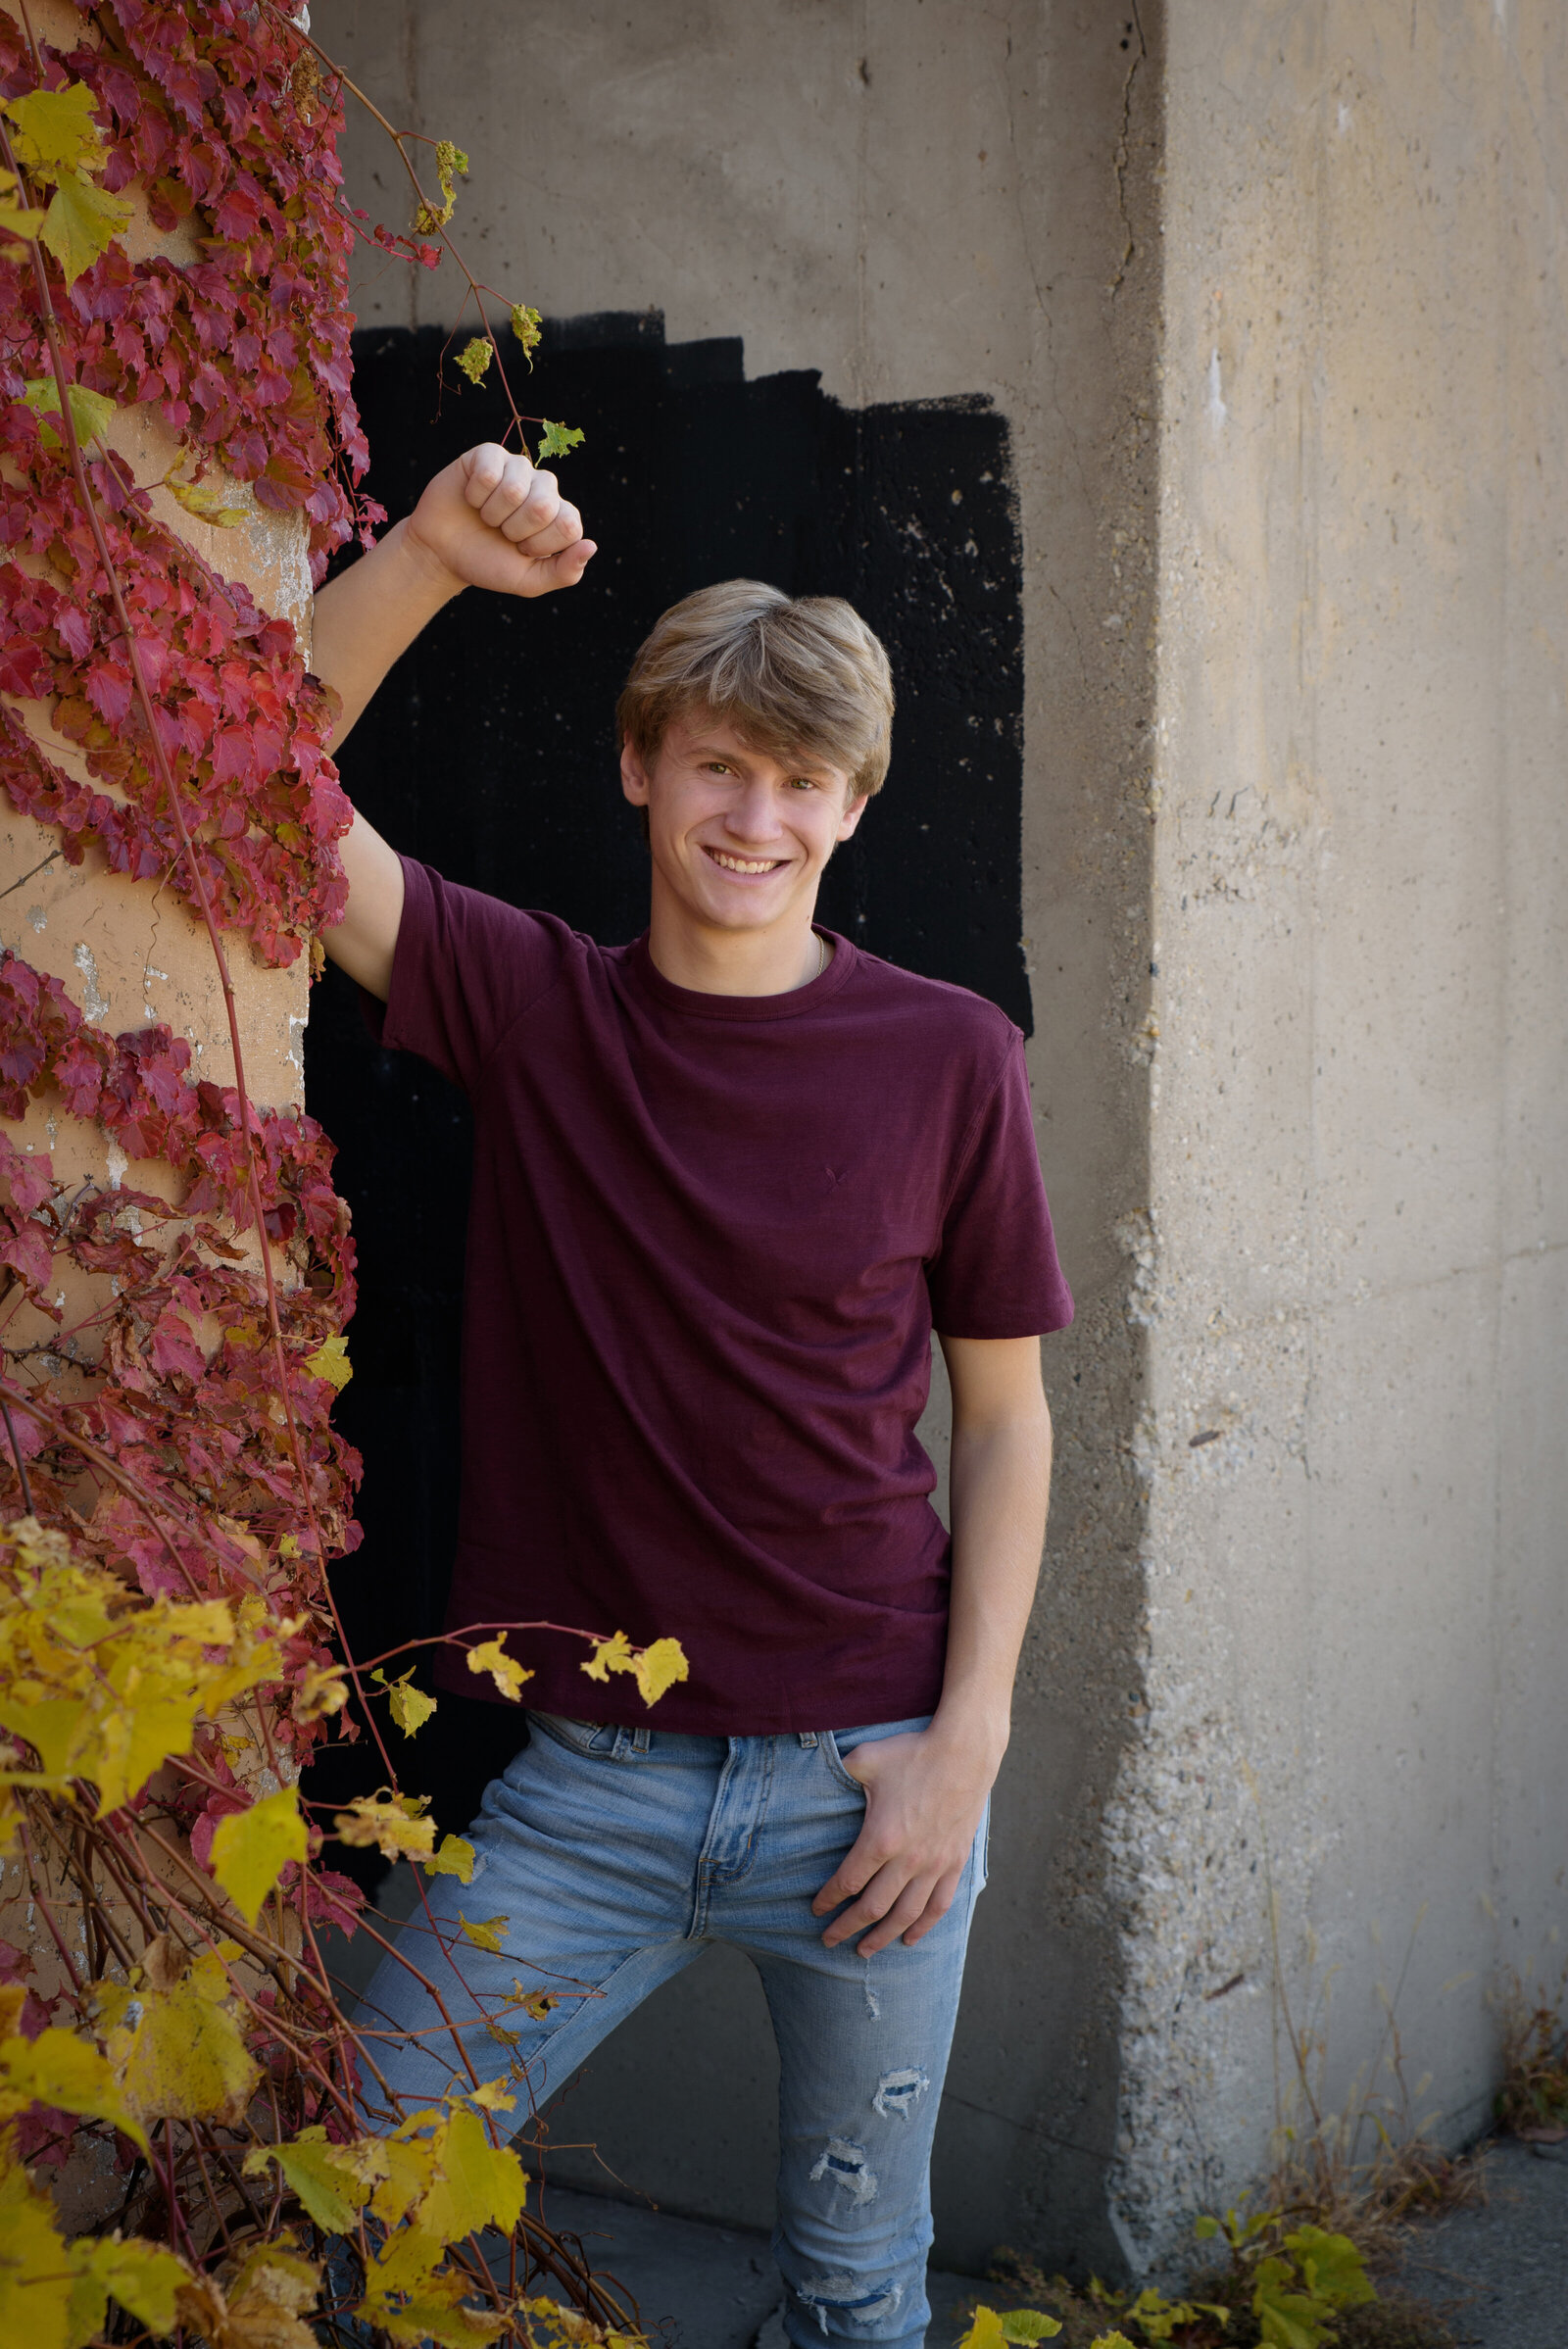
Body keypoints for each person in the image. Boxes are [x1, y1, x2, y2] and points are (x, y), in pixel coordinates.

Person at [311, 441, 1073, 2348]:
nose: (754, 811)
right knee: (333, 2180)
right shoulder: (534, 1004)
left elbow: (1001, 1414)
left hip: (868, 1783)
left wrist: (964, 1741)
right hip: (589, 1787)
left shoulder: (948, 1056)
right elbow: (250, 797)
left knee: (851, 2283)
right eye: (716, 762)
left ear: (851, 804)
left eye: (797, 777)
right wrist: (415, 559)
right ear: (640, 763)